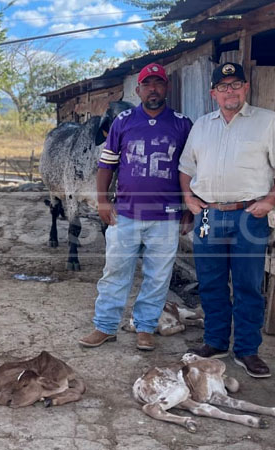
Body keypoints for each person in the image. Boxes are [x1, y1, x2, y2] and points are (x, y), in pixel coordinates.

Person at [178, 62, 275, 378]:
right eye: (223, 87)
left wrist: (270, 200)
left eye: (235, 85)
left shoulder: (268, 123)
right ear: (213, 93)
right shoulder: (202, 127)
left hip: (248, 216)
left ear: (245, 88)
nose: (230, 91)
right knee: (210, 282)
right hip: (208, 216)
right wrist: (189, 198)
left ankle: (248, 350)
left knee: (248, 284)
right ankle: (215, 341)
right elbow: (185, 168)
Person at [78, 62, 194, 351]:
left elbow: (192, 169)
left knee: (158, 276)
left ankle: (145, 327)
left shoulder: (182, 124)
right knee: (115, 271)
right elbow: (106, 165)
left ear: (166, 87)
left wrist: (189, 209)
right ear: (138, 89)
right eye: (147, 84)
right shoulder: (123, 121)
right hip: (126, 214)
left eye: (158, 83)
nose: (153, 89)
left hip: (166, 216)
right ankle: (104, 326)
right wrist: (103, 200)